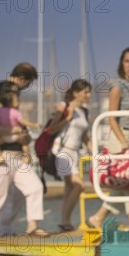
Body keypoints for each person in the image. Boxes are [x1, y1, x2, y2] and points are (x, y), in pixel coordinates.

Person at [88, 47, 129, 229]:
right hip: (120, 138)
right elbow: (111, 118)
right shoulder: (117, 86)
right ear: (121, 63)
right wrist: (124, 144)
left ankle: (99, 217)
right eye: (126, 61)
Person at [0, 79, 49, 237]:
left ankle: (32, 226)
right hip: (2, 159)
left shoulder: (16, 113)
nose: (17, 93)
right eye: (12, 91)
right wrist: (15, 131)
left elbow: (26, 138)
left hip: (19, 159)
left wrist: (23, 138)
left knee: (35, 187)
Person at [47, 79, 92, 232]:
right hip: (62, 151)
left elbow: (84, 136)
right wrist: (67, 118)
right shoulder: (63, 106)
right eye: (85, 91)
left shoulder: (84, 111)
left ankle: (64, 222)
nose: (89, 94)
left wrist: (95, 152)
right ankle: (65, 222)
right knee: (79, 186)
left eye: (89, 91)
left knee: (69, 188)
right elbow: (52, 129)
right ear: (75, 93)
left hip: (75, 153)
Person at [0, 88, 41, 165]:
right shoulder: (16, 112)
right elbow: (23, 121)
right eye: (17, 100)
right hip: (16, 136)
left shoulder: (0, 110)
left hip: (4, 137)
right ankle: (26, 157)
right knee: (25, 145)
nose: (19, 102)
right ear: (10, 103)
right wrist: (34, 125)